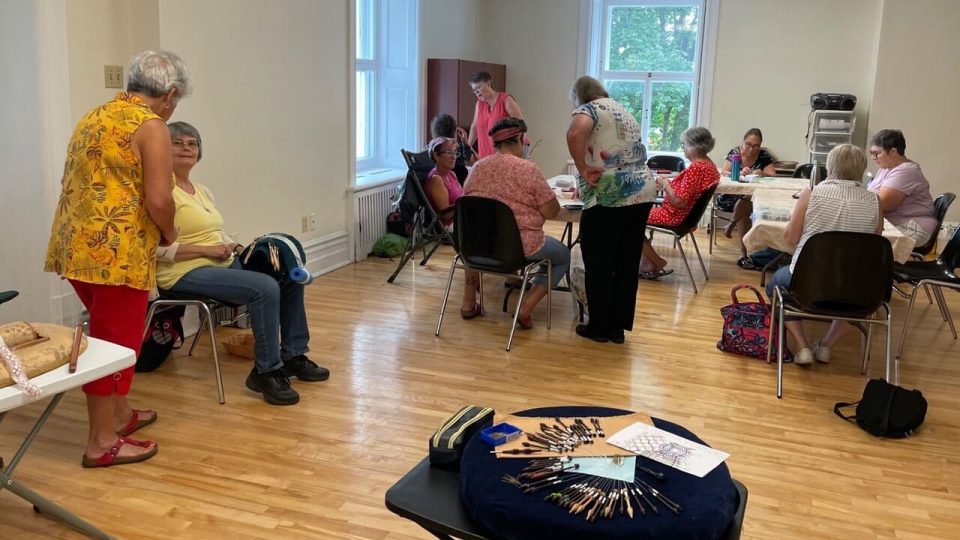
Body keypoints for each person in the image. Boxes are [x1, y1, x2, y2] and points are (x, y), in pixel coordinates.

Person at [44, 50, 188, 468]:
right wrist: (170, 232)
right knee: (115, 345)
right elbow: (159, 198)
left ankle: (120, 416)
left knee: (110, 336)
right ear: (170, 93)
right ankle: (100, 441)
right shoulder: (151, 124)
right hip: (118, 254)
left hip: (76, 248)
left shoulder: (93, 117)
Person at [155, 122, 330, 406]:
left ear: (199, 152)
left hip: (219, 262)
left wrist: (234, 245)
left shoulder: (201, 191)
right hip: (182, 272)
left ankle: (293, 355)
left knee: (286, 276)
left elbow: (215, 231)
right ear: (162, 149)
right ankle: (266, 371)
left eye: (192, 143)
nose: (186, 147)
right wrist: (208, 249)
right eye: (177, 143)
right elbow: (153, 250)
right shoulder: (160, 192)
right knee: (264, 287)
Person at [766, 144, 882, 365]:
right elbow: (874, 244)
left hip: (808, 282)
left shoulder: (812, 193)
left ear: (830, 167)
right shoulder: (875, 201)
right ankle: (826, 345)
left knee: (775, 285)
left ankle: (802, 346)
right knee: (861, 294)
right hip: (855, 285)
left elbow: (790, 238)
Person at [565, 76, 657, 344]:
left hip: (611, 194)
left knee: (599, 260)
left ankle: (599, 327)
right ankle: (617, 327)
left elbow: (574, 133)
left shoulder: (589, 109)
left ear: (579, 95)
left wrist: (582, 167)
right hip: (641, 191)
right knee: (626, 262)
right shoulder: (619, 108)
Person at [461, 118, 569, 327]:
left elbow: (469, 202)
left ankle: (468, 302)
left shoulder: (477, 167)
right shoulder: (528, 169)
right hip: (517, 247)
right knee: (562, 256)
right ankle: (525, 307)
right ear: (520, 139)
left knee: (476, 234)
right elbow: (551, 211)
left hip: (476, 246)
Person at [639, 127, 720, 278]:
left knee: (631, 220)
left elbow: (680, 201)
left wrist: (665, 185)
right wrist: (670, 184)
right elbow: (687, 191)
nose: (684, 149)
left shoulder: (697, 168)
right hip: (687, 218)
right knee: (633, 218)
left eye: (684, 145)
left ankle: (654, 262)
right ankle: (647, 263)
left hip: (675, 217)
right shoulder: (709, 166)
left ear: (694, 146)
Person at [718, 128, 778, 268]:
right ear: (743, 142)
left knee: (748, 201)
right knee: (747, 205)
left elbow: (773, 176)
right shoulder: (735, 153)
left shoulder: (763, 155)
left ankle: (731, 225)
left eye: (756, 146)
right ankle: (743, 253)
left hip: (749, 198)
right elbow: (724, 172)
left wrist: (761, 173)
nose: (752, 149)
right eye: (748, 144)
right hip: (729, 196)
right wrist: (740, 173)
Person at [867, 129, 937, 245]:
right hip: (894, 225)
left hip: (912, 228)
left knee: (864, 242)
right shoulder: (886, 168)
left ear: (893, 151)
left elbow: (882, 203)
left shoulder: (906, 171)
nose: (873, 158)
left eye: (877, 153)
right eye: (872, 154)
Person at [467, 71, 525, 159]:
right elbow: (474, 127)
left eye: (478, 87)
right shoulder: (479, 104)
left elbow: (521, 126)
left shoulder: (506, 100)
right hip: (485, 155)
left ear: (488, 83)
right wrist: (467, 147)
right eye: (474, 90)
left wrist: (518, 151)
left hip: (507, 155)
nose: (476, 92)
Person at [424, 137, 465, 231]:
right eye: (449, 152)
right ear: (436, 156)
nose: (454, 157)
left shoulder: (451, 174)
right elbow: (446, 215)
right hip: (448, 225)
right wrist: (465, 206)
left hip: (460, 219)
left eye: (455, 152)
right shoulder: (436, 179)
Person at [429, 113, 475, 184]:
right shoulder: (458, 148)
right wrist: (466, 143)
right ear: (454, 131)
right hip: (460, 185)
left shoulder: (429, 149)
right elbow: (475, 162)